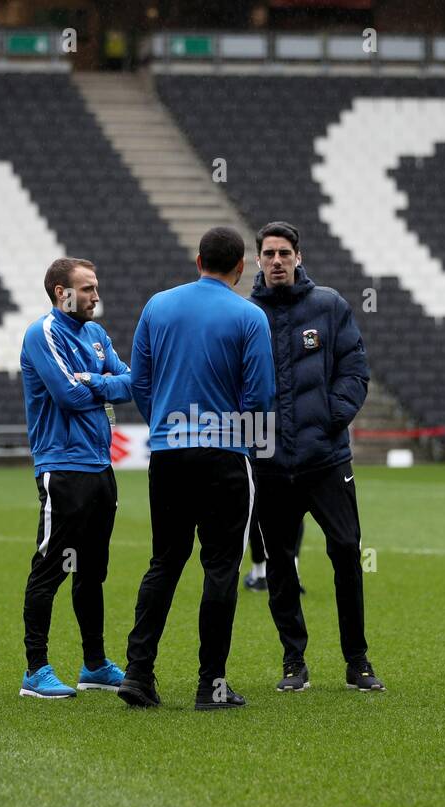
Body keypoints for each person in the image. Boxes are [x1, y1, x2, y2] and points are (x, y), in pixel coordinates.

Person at [117, 227, 275, 711]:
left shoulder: (157, 306)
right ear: (240, 267)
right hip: (225, 454)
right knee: (222, 567)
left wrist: (165, 423)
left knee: (164, 561)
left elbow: (138, 382)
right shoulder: (251, 316)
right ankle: (212, 685)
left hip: (167, 452)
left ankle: (138, 674)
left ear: (198, 258)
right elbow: (262, 394)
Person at [248, 221, 384, 693]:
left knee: (346, 552)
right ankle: (294, 662)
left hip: (326, 460)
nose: (278, 261)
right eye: (269, 254)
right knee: (280, 563)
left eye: (285, 253)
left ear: (299, 257)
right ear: (258, 261)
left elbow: (354, 368)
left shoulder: (329, 305)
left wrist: (332, 416)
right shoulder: (246, 315)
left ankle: (358, 661)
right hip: (270, 464)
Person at [17, 257, 133, 699]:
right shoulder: (42, 333)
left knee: (92, 572)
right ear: (60, 292)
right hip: (63, 469)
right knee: (50, 568)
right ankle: (36, 670)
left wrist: (93, 380)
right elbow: (66, 396)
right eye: (86, 288)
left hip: (101, 469)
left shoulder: (97, 334)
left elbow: (134, 383)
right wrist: (101, 383)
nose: (96, 296)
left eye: (96, 286)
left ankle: (94, 664)